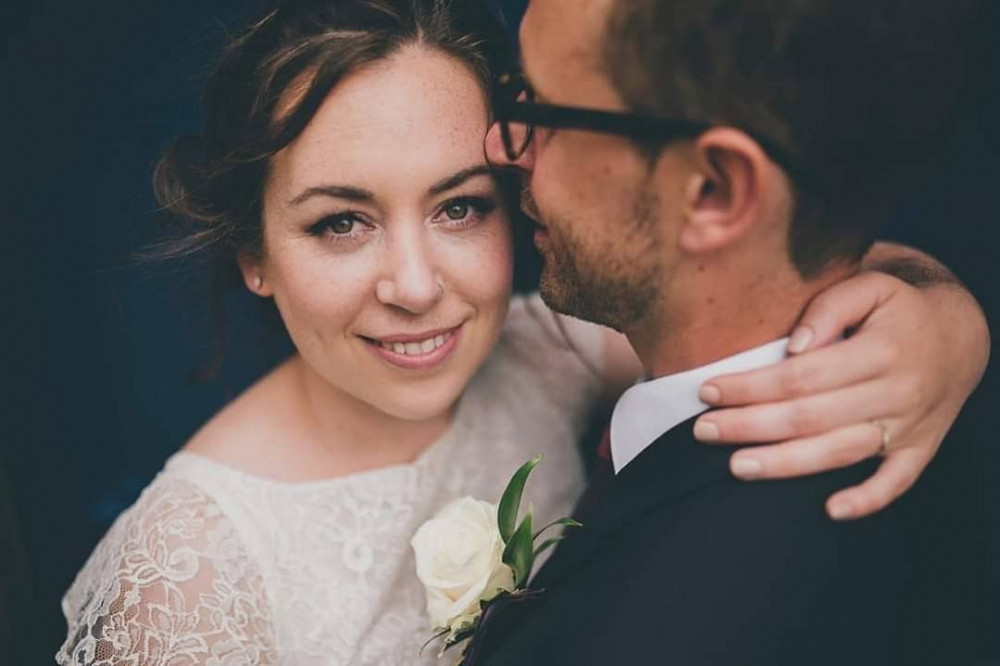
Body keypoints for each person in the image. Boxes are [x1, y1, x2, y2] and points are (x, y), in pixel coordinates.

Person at [56, 0, 988, 664]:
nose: (416, 287)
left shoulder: (549, 350)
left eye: (461, 206)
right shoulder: (182, 584)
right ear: (252, 254)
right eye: (340, 222)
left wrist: (942, 314)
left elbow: (780, 273)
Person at [470, 0, 986, 665]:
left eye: (542, 112)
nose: (498, 146)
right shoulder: (938, 389)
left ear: (713, 190)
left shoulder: (640, 634)